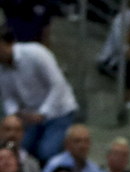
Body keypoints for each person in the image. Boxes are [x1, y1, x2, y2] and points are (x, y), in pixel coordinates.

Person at [0, 26, 79, 163]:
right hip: (30, 116)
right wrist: (14, 115)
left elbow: (58, 85)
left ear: (9, 43)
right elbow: (8, 97)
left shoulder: (36, 53)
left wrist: (43, 112)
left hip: (58, 112)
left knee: (46, 152)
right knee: (18, 148)